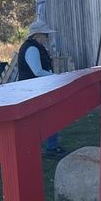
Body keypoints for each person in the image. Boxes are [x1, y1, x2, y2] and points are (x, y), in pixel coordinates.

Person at [17, 18, 68, 157]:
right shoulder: (32, 49)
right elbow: (37, 71)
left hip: (34, 87)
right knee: (50, 116)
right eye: (46, 35)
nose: (47, 38)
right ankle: (51, 146)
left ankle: (43, 146)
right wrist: (54, 76)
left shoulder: (33, 47)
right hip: (33, 89)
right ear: (38, 35)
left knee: (46, 117)